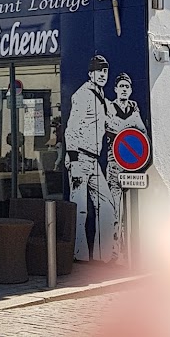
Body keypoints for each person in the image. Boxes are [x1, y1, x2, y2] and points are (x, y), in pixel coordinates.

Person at [65, 54, 115, 261]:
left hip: (93, 159)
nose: (102, 75)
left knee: (106, 204)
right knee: (80, 210)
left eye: (105, 71)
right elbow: (71, 128)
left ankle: (101, 256)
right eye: (98, 71)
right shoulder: (83, 95)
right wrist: (73, 158)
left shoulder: (101, 97)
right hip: (80, 158)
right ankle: (80, 255)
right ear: (90, 73)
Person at [105, 72, 146, 261]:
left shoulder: (133, 106)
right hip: (114, 162)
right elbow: (111, 126)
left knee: (129, 209)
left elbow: (142, 129)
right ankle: (114, 249)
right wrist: (129, 125)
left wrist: (126, 125)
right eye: (120, 86)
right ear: (115, 89)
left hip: (131, 163)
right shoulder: (109, 106)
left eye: (126, 87)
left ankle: (127, 248)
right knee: (115, 208)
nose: (123, 89)